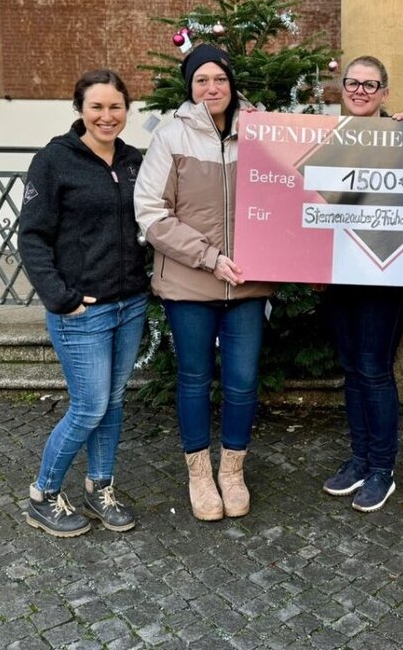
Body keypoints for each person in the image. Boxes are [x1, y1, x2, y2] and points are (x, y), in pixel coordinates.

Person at [134, 44, 272, 521]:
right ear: (189, 87)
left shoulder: (262, 131)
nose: (211, 87)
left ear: (231, 83)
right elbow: (151, 213)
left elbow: (304, 174)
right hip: (191, 284)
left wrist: (386, 128)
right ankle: (198, 472)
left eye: (219, 78)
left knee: (241, 383)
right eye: (201, 80)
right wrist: (210, 258)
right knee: (194, 380)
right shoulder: (171, 137)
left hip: (249, 287)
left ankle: (232, 470)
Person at [18, 69, 150, 537]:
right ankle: (44, 494)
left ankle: (100, 487)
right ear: (80, 110)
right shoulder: (55, 160)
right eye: (96, 107)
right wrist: (61, 298)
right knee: (89, 407)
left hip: (129, 304)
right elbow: (32, 237)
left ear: (126, 110)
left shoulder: (134, 161)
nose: (107, 116)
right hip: (82, 311)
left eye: (115, 107)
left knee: (112, 403)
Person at [320, 55, 403, 513]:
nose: (360, 91)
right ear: (342, 88)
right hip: (338, 274)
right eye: (352, 83)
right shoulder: (326, 138)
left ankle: (382, 469)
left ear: (385, 91)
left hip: (385, 272)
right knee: (353, 368)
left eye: (370, 84)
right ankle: (359, 459)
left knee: (374, 369)